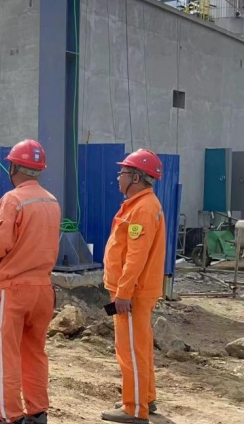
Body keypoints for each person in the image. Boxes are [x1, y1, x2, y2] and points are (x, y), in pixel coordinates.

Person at [0, 139, 60, 424]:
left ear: (14, 167)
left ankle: (8, 416)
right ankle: (37, 412)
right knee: (34, 351)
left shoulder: (13, 200)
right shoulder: (51, 201)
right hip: (44, 289)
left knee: (6, 354)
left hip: (15, 289)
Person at [100, 149, 166, 424]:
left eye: (123, 172)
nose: (119, 177)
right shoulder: (141, 205)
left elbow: (135, 257)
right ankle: (144, 397)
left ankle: (134, 408)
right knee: (141, 346)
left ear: (136, 177)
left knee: (130, 351)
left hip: (132, 292)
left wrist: (123, 293)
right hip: (137, 290)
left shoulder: (142, 209)